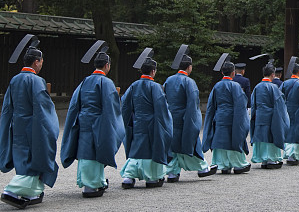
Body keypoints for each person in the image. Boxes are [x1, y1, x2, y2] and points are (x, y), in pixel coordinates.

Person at [0, 35, 60, 209]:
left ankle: (32, 191)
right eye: (41, 61)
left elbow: (7, 107)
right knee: (34, 159)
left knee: (22, 158)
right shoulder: (36, 81)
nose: (41, 64)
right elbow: (43, 109)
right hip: (33, 127)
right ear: (36, 62)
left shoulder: (15, 80)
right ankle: (11, 190)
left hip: (17, 125)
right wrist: (50, 127)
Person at [60, 41, 125, 198]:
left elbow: (75, 104)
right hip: (99, 123)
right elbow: (111, 109)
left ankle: (91, 182)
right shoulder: (107, 83)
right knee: (97, 151)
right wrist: (115, 127)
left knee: (85, 151)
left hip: (83, 121)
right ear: (107, 65)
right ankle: (93, 184)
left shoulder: (84, 81)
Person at [120, 49, 174, 188]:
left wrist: (126, 123)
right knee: (152, 149)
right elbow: (162, 110)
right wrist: (165, 126)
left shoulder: (133, 86)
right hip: (152, 124)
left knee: (136, 148)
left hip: (137, 122)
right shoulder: (156, 87)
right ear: (153, 71)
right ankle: (152, 177)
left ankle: (129, 176)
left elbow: (125, 106)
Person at [164, 45, 217, 182]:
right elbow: (193, 105)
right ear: (189, 67)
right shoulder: (189, 82)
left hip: (170, 117)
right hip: (184, 118)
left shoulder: (168, 80)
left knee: (172, 146)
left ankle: (172, 172)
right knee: (192, 143)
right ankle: (202, 168)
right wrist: (194, 121)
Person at [202, 57, 251, 174]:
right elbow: (240, 106)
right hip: (232, 117)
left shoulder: (217, 86)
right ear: (233, 73)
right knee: (233, 139)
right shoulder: (235, 86)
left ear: (222, 72)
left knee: (220, 139)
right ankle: (238, 164)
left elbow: (211, 105)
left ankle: (222, 164)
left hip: (219, 116)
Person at [249, 63, 290, 169]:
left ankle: (263, 160)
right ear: (272, 74)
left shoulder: (257, 87)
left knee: (261, 136)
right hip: (271, 117)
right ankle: (271, 159)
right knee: (271, 137)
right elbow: (279, 105)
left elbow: (253, 104)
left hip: (259, 116)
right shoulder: (273, 87)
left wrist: (253, 117)